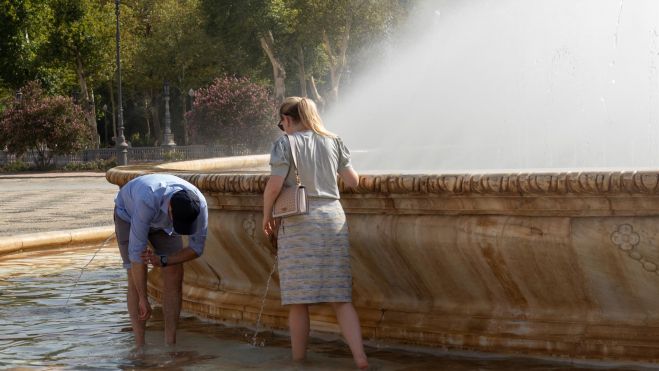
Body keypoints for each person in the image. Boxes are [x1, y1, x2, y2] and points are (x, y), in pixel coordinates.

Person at [262, 97, 368, 369]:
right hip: (332, 217)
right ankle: (361, 359)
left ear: (287, 119)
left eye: (281, 123)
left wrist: (266, 216)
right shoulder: (334, 141)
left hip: (300, 222)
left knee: (299, 301)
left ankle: (299, 361)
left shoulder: (285, 144)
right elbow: (353, 181)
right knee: (341, 298)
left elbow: (274, 187)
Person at [114, 173, 208, 348]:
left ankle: (170, 345)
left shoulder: (200, 204)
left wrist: (164, 260)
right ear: (171, 209)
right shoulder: (147, 198)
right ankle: (140, 347)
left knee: (174, 271)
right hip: (128, 215)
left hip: (163, 225)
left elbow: (196, 249)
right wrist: (144, 298)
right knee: (134, 279)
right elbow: (137, 256)